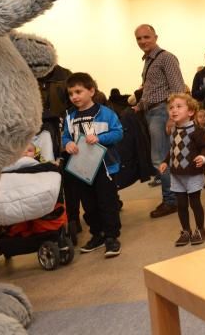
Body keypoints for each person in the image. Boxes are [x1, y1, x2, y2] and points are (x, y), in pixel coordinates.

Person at [62, 72, 124, 258]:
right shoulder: (70, 117)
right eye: (71, 93)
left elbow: (118, 133)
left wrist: (100, 138)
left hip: (104, 167)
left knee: (107, 202)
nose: (74, 96)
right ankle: (98, 234)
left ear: (91, 91)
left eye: (78, 91)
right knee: (89, 204)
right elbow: (66, 136)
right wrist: (68, 144)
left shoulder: (106, 113)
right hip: (82, 168)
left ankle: (112, 237)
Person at [134, 24, 186, 218]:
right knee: (164, 157)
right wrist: (139, 106)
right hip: (152, 113)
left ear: (155, 36)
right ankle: (175, 197)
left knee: (160, 158)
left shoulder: (166, 58)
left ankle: (171, 201)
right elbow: (153, 90)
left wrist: (173, 117)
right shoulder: (148, 60)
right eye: (139, 39)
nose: (142, 41)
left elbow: (178, 89)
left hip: (162, 113)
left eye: (146, 37)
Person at [158, 93, 205, 248]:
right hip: (177, 175)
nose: (174, 110)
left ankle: (200, 229)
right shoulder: (174, 130)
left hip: (193, 174)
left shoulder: (197, 131)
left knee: (195, 203)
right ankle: (186, 231)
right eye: (171, 108)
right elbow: (173, 149)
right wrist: (165, 162)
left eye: (179, 107)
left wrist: (203, 157)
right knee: (181, 205)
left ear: (190, 112)